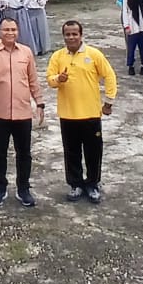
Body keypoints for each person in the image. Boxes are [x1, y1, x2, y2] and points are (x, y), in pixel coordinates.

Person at [46, 21, 116, 203]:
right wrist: (58, 79)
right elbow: (50, 80)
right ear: (63, 36)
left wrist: (109, 101)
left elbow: (109, 75)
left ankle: (93, 184)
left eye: (74, 34)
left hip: (91, 114)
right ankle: (75, 184)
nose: (71, 37)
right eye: (68, 34)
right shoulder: (58, 56)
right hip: (68, 114)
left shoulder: (93, 54)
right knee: (71, 152)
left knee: (93, 152)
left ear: (81, 35)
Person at [0, 17, 43, 208]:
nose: (10, 33)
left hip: (22, 111)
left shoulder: (26, 52)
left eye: (13, 29)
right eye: (6, 30)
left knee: (24, 153)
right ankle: (0, 188)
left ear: (18, 31)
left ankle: (23, 188)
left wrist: (39, 103)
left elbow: (33, 79)